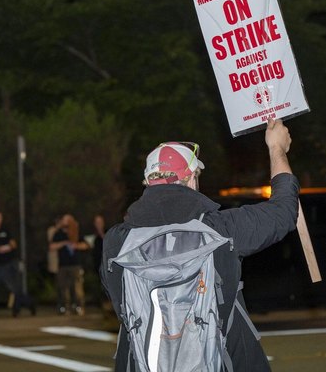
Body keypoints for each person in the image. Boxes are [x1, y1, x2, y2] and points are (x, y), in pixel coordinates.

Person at [101, 119, 299, 372]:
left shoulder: (116, 243)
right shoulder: (221, 231)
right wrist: (277, 148)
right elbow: (284, 211)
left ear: (147, 183)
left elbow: (119, 304)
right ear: (192, 178)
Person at [0, 210, 36, 317]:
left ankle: (18, 308)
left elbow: (13, 244)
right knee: (12, 286)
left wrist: (9, 247)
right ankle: (29, 303)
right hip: (0, 264)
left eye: (0, 217)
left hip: (12, 260)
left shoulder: (5, 229)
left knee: (17, 286)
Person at [49, 214, 89, 315]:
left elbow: (86, 245)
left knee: (77, 287)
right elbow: (52, 246)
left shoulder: (77, 232)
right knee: (63, 287)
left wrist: (76, 246)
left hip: (75, 264)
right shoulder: (58, 233)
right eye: (64, 220)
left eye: (67, 220)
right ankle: (64, 307)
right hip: (63, 265)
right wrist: (64, 243)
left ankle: (79, 306)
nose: (65, 222)